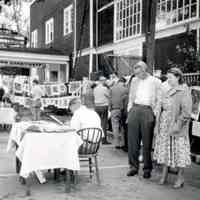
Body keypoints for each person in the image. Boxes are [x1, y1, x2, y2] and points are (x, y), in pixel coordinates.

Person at [153, 68, 192, 189]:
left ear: (178, 77)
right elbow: (161, 107)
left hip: (176, 127)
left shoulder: (184, 90)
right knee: (166, 150)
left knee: (179, 152)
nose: (168, 80)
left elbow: (186, 113)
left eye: (170, 77)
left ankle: (180, 177)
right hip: (165, 125)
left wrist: (177, 126)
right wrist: (157, 124)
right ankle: (164, 174)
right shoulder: (168, 90)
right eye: (167, 77)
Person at [127, 61, 162, 179]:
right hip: (135, 109)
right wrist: (129, 111)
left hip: (148, 110)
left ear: (144, 70)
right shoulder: (134, 80)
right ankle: (133, 167)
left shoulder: (156, 82)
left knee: (147, 142)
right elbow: (131, 97)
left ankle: (147, 168)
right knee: (132, 141)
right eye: (135, 73)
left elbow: (159, 100)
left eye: (139, 73)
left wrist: (154, 115)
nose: (137, 76)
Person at [110, 77, 128, 150]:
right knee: (123, 127)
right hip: (123, 110)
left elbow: (110, 99)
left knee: (115, 127)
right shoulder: (126, 89)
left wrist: (110, 107)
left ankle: (116, 143)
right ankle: (123, 143)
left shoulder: (112, 88)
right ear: (124, 82)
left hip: (114, 109)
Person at [93, 76, 111, 144]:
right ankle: (104, 140)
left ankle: (97, 138)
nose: (106, 82)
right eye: (105, 81)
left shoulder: (95, 89)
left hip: (96, 106)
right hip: (103, 106)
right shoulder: (104, 88)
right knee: (104, 123)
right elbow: (109, 96)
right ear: (102, 81)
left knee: (97, 123)